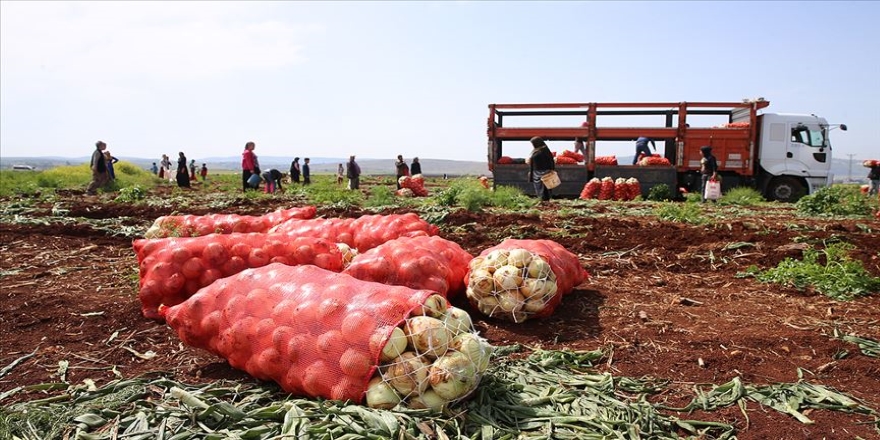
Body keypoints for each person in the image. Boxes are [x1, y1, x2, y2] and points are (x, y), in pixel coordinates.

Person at [528, 136, 555, 203]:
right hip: (537, 172)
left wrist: (552, 170)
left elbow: (551, 161)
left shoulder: (543, 150)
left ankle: (545, 201)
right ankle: (542, 200)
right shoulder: (538, 150)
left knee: (544, 187)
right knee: (540, 188)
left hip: (544, 172)